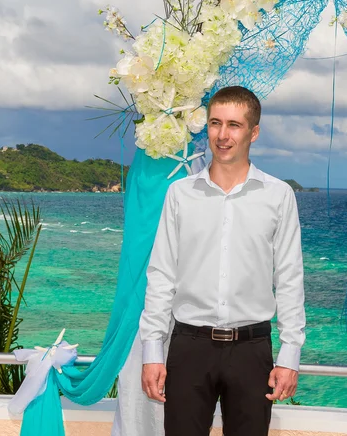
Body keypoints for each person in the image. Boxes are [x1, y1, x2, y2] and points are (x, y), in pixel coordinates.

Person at [139, 85, 306, 436]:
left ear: (253, 132)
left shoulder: (279, 196)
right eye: (215, 123)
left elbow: (290, 277)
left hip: (252, 350)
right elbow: (161, 275)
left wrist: (290, 355)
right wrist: (152, 351)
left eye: (234, 125)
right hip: (189, 348)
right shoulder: (180, 194)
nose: (223, 135)